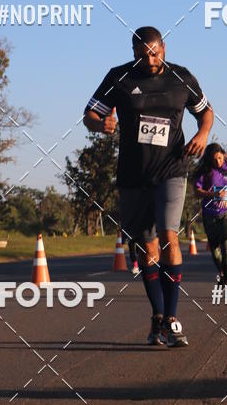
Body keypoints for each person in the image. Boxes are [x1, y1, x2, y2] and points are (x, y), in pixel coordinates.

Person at [84, 26, 213, 347]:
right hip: (132, 175)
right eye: (142, 55)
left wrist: (202, 134)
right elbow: (89, 114)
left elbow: (206, 112)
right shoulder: (119, 77)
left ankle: (171, 318)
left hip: (172, 169)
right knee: (146, 248)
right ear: (134, 53)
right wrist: (100, 124)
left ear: (163, 48)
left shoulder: (182, 77)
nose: (150, 60)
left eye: (154, 53)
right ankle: (158, 316)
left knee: (170, 236)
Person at [194, 143, 227, 287]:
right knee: (215, 252)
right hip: (210, 215)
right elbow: (197, 191)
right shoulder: (205, 171)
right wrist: (214, 194)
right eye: (215, 159)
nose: (218, 162)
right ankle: (222, 273)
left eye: (220, 158)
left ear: (224, 155)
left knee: (226, 247)